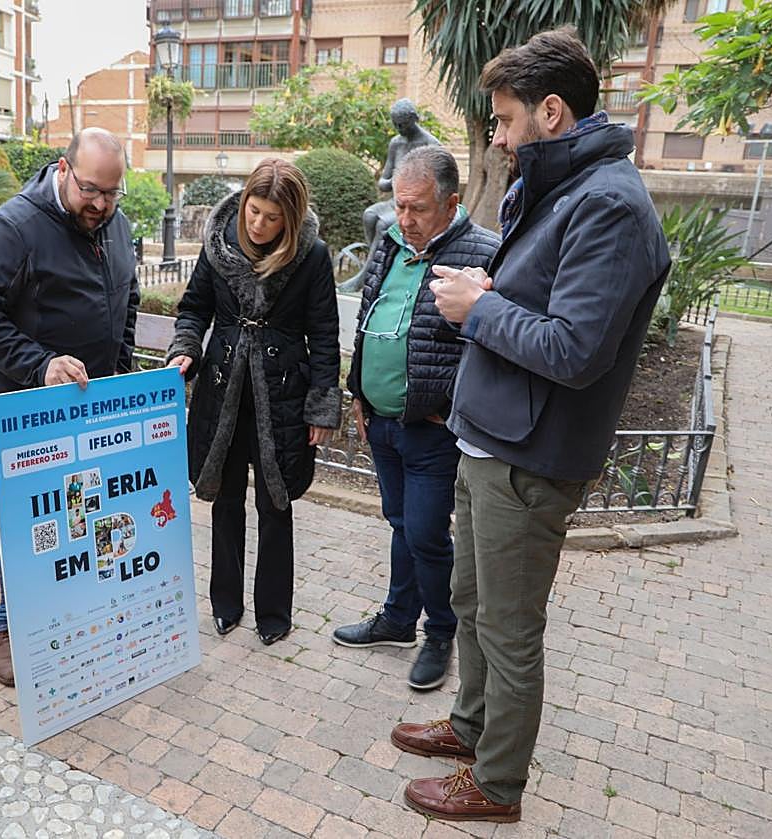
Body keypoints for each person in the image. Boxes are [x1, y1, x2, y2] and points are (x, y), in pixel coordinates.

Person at [391, 28, 670, 823]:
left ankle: (497, 782)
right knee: (472, 602)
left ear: (552, 111)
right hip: (493, 440)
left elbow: (577, 350)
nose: (500, 138)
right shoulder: (566, 187)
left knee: (510, 629)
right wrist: (493, 289)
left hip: (531, 454)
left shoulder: (609, 203)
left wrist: (481, 308)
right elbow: (545, 302)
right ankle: (470, 725)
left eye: (507, 121)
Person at [0, 127, 139, 687]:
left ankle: (76, 610)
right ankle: (3, 627)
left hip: (86, 409)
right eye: (90, 191)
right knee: (9, 520)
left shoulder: (115, 225)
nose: (101, 205)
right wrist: (40, 364)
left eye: (112, 194)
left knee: (79, 514)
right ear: (63, 170)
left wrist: (122, 370)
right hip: (19, 407)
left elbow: (125, 298)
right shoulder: (13, 228)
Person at [332, 146, 499, 690]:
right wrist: (359, 389)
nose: (404, 219)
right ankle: (399, 620)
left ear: (450, 203)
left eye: (418, 209)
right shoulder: (390, 241)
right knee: (400, 523)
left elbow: (491, 342)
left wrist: (447, 407)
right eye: (399, 206)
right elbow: (369, 318)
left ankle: (440, 632)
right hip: (382, 420)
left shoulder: (484, 253)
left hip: (432, 429)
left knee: (427, 533)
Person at [166, 158, 341, 646]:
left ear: (291, 217)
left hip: (280, 394)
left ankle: (274, 614)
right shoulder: (218, 243)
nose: (259, 225)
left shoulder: (311, 256)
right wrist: (184, 350)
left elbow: (325, 333)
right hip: (222, 391)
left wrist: (321, 406)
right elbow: (195, 307)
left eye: (272, 217)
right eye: (253, 212)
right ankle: (225, 605)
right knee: (223, 500)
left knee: (275, 504)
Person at [361, 99, 441, 249]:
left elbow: (438, 186)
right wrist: (394, 181)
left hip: (417, 206)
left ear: (413, 119)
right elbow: (383, 183)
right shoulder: (396, 143)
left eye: (402, 124)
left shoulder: (431, 144)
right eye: (395, 124)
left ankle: (378, 264)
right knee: (369, 215)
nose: (399, 128)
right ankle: (373, 261)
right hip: (396, 202)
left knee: (383, 224)